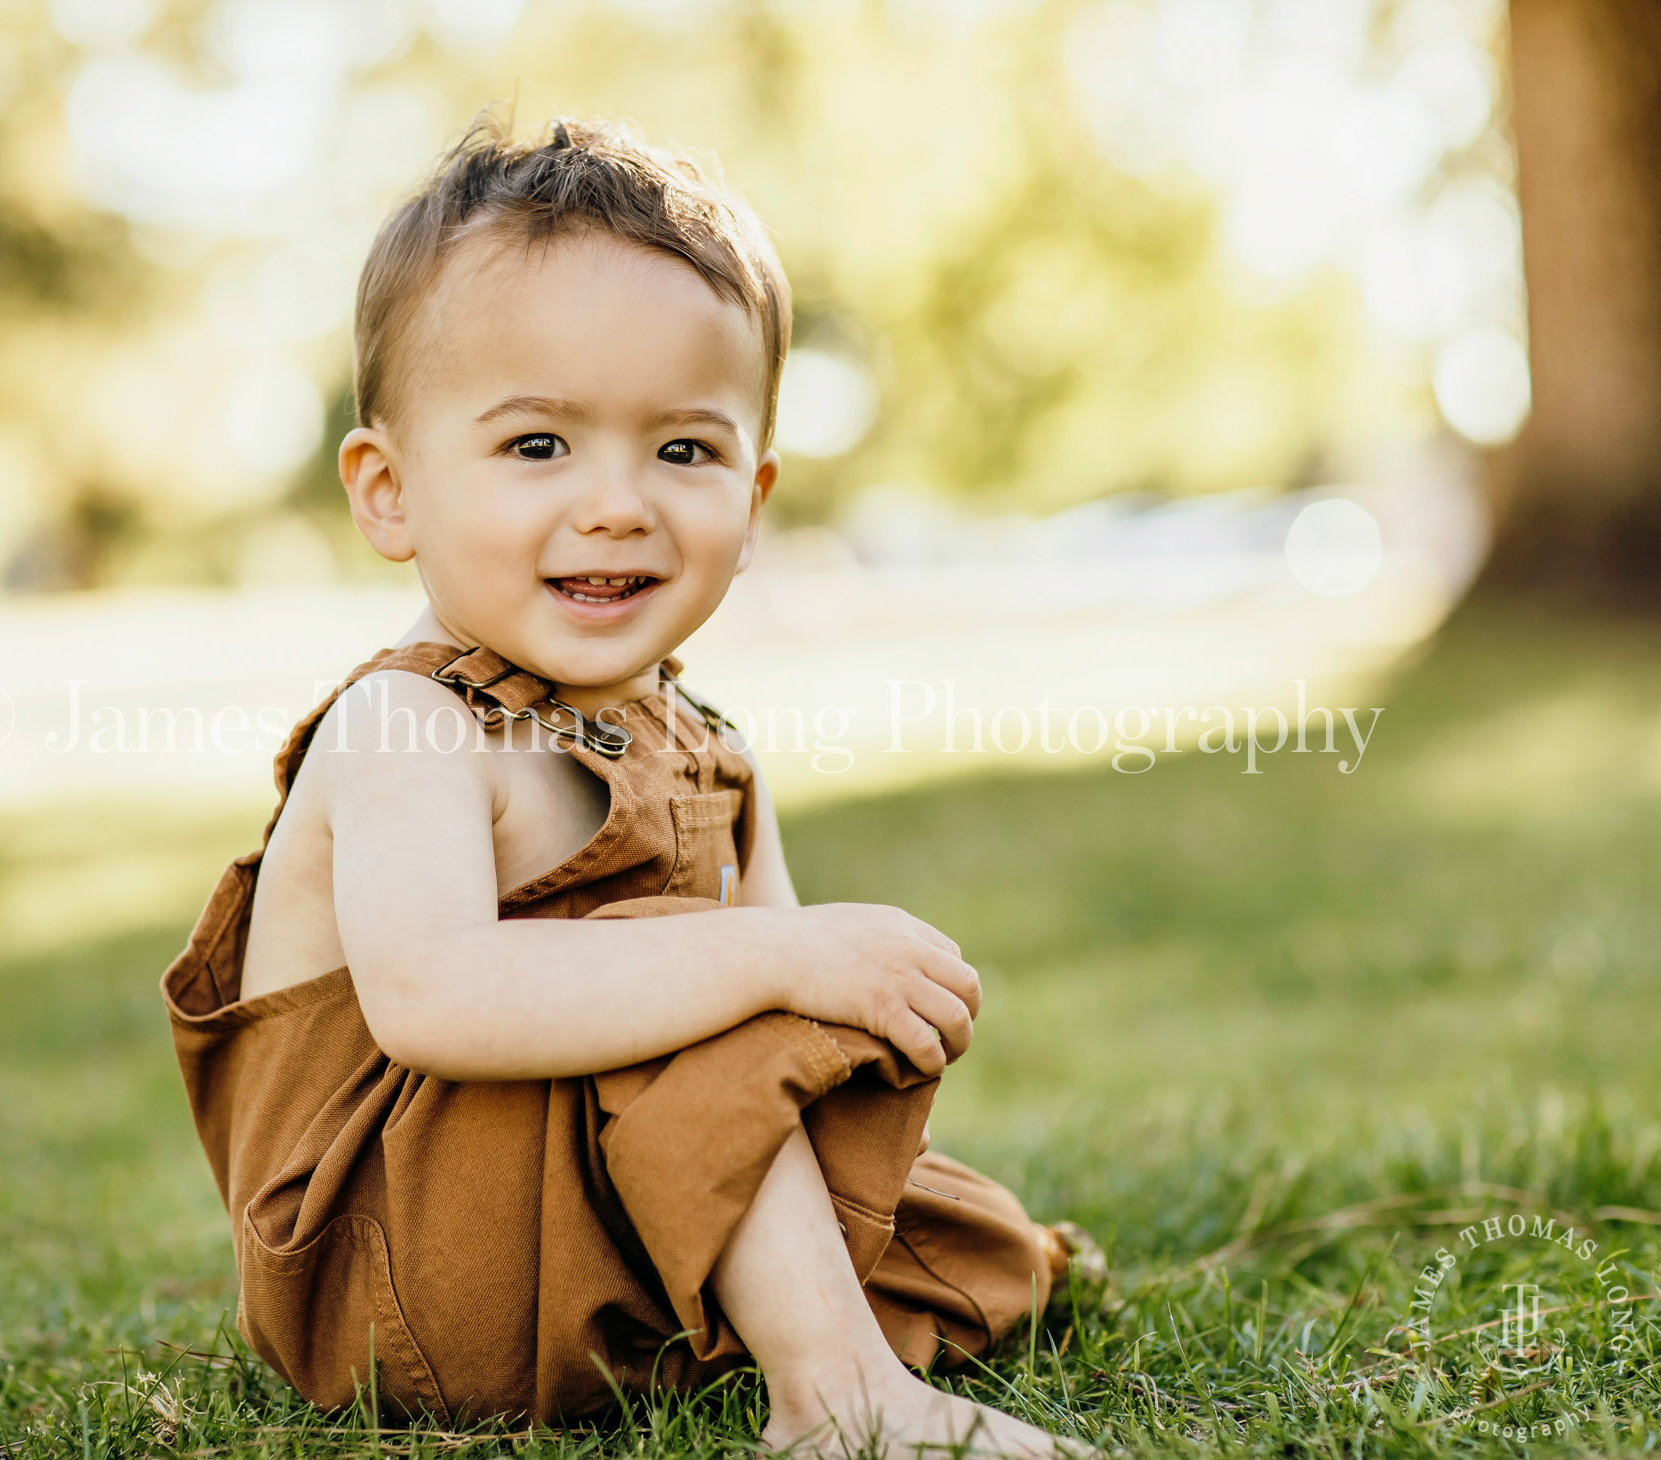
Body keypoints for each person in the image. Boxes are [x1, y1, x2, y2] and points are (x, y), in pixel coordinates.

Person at [161, 112, 1103, 1460]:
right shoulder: (406, 727)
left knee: (963, 1236)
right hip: (399, 1277)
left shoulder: (711, 751)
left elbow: (772, 1062)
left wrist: (834, 1019)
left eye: (683, 450)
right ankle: (841, 1403)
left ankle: (805, 1319)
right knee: (701, 962)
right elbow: (437, 999)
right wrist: (779, 956)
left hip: (595, 1252)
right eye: (538, 446)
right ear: (390, 491)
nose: (617, 503)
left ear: (755, 494)